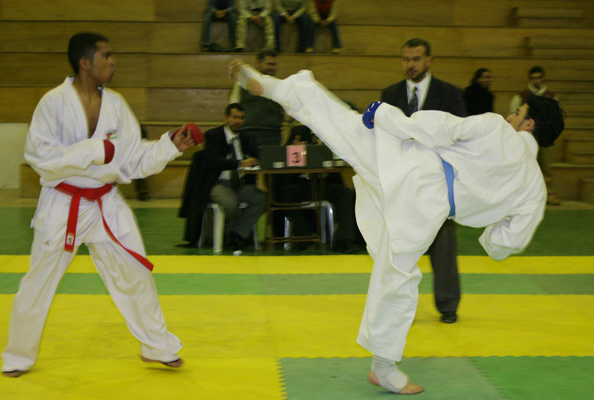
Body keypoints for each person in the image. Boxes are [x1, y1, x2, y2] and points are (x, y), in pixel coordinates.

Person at [227, 59, 564, 395]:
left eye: (517, 113)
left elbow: (440, 127)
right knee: (398, 277)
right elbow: (506, 243)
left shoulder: (495, 127)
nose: (510, 116)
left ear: (529, 123)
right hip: (426, 209)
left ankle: (273, 87)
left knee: (342, 122)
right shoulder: (534, 188)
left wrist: (387, 116)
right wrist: (488, 233)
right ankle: (383, 367)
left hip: (405, 163)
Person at [1, 32, 196, 378]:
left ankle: (157, 346)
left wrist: (169, 146)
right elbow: (39, 156)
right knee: (39, 282)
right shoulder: (53, 103)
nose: (113, 61)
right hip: (63, 203)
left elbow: (132, 159)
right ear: (85, 63)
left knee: (135, 273)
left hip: (106, 202)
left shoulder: (116, 105)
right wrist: (92, 150)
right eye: (106, 56)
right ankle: (17, 356)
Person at [381, 38, 465, 324]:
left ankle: (448, 305)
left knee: (443, 246)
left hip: (437, 182)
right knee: (398, 248)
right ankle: (395, 306)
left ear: (429, 61)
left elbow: (460, 134)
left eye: (416, 59)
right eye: (406, 59)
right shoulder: (390, 95)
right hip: (401, 182)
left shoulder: (449, 94)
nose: (410, 65)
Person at [274, 123, 363, 253]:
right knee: (286, 193)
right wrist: (292, 151)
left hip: (325, 182)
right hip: (302, 183)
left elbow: (340, 159)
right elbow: (283, 160)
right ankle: (303, 237)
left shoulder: (332, 132)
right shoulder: (299, 131)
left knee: (345, 193)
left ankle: (344, 240)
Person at [203, 103, 264, 250]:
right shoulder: (213, 136)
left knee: (262, 199)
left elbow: (258, 155)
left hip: (240, 184)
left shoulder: (245, 137)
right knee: (231, 203)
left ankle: (236, 234)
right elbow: (214, 161)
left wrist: (257, 160)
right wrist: (240, 163)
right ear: (226, 117)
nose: (238, 121)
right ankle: (227, 235)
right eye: (235, 117)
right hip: (217, 183)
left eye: (241, 118)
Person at [509, 66, 560, 206]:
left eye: (538, 77)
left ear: (543, 78)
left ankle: (548, 194)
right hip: (525, 135)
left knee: (546, 166)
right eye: (533, 78)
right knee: (524, 166)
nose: (536, 80)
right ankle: (523, 196)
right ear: (530, 79)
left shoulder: (551, 96)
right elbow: (513, 115)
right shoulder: (521, 96)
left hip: (543, 136)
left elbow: (556, 117)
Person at [230, 48, 285, 148]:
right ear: (258, 63)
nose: (272, 68)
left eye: (275, 64)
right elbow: (233, 107)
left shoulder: (280, 86)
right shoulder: (242, 83)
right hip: (247, 133)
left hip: (273, 135)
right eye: (269, 64)